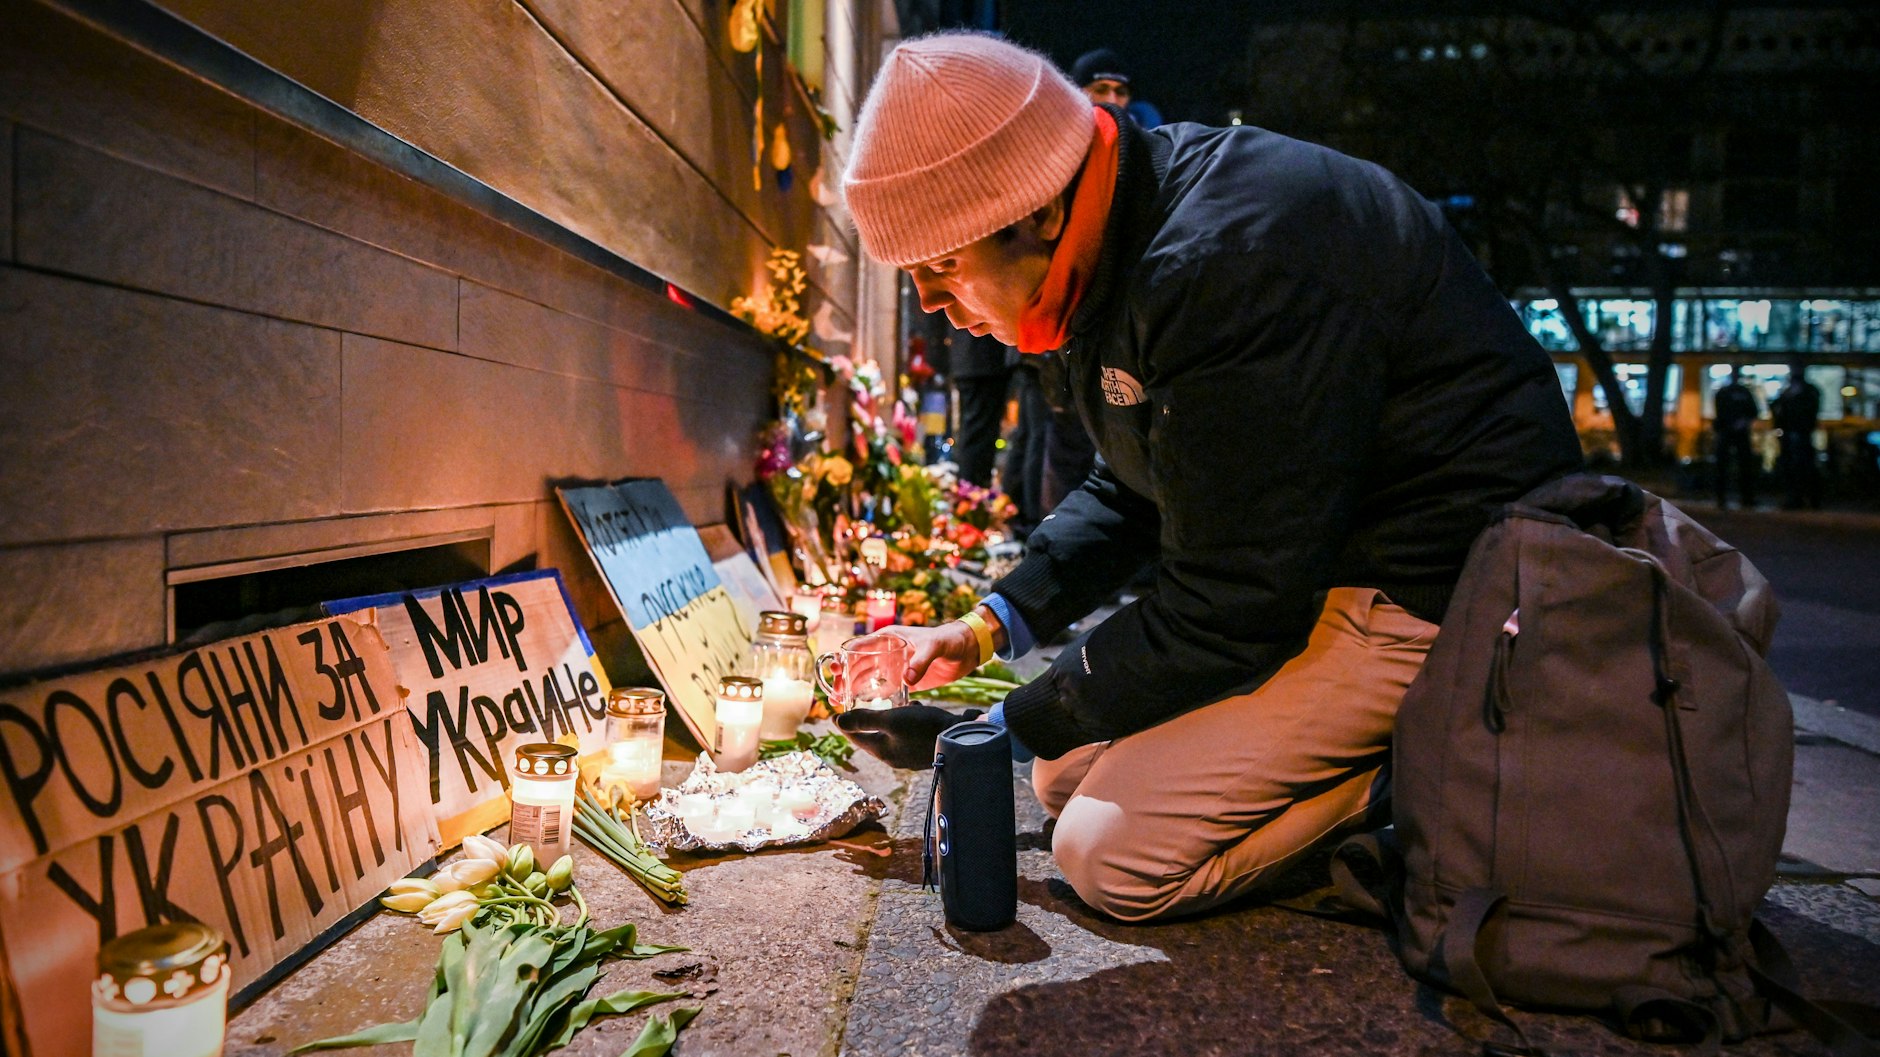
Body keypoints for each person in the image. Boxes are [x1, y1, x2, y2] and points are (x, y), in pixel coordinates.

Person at [835, 32, 1582, 921]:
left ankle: (1419, 777)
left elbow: (1233, 598)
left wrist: (998, 727)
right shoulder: (1109, 242)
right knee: (1063, 776)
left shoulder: (1224, 264)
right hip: (1325, 567)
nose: (928, 302)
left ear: (1034, 209)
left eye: (942, 265)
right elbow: (1140, 481)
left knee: (1108, 854)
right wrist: (983, 627)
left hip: (1440, 590)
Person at [944, 324, 1017, 489]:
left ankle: (970, 499)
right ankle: (972, 501)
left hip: (972, 360)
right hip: (982, 360)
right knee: (978, 438)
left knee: (973, 434)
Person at [1772, 367, 1823, 509]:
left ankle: (1806, 499)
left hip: (1800, 434)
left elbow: (1809, 411)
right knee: (1794, 468)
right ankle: (1798, 499)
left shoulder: (1804, 393)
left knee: (1801, 468)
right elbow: (1778, 408)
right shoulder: (1792, 393)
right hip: (1793, 435)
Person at [1711, 366, 1760, 509]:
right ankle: (1739, 498)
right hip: (1731, 432)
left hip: (1731, 432)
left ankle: (1730, 498)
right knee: (1734, 466)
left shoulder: (1727, 392)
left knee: (1735, 466)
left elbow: (1752, 411)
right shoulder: (1741, 392)